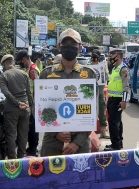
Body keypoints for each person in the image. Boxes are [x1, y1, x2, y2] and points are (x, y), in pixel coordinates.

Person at [39, 28, 96, 157]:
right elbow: (39, 108)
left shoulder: (89, 74)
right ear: (59, 47)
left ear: (80, 47)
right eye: (65, 44)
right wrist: (56, 132)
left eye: (73, 45)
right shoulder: (47, 74)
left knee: (80, 176)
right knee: (50, 176)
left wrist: (77, 143)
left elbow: (94, 111)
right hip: (52, 142)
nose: (69, 48)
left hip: (80, 144)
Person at [0, 54, 34, 159]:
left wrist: (17, 103)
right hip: (25, 108)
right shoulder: (24, 74)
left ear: (4, 64)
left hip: (11, 110)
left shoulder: (3, 76)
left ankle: (12, 160)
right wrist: (30, 107)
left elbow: (6, 93)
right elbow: (29, 93)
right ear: (13, 62)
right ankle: (21, 157)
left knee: (11, 135)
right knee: (23, 135)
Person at [104, 48, 131, 151]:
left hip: (118, 100)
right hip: (112, 99)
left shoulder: (123, 69)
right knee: (116, 122)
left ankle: (115, 145)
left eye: (112, 56)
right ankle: (118, 143)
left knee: (114, 123)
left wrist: (124, 101)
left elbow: (126, 87)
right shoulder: (115, 68)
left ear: (118, 57)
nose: (110, 58)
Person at [15, 49, 40, 157]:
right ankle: (31, 148)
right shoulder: (30, 69)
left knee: (33, 127)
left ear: (24, 59)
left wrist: (32, 104)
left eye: (21, 61)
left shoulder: (33, 70)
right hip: (32, 102)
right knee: (30, 126)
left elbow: (37, 87)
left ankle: (33, 149)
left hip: (34, 102)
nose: (21, 64)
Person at [91, 49, 109, 139]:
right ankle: (90, 133)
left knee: (102, 112)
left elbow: (106, 77)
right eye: (93, 56)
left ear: (99, 57)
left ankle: (103, 131)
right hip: (90, 94)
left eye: (96, 56)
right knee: (90, 113)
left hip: (100, 93)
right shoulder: (87, 66)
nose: (94, 58)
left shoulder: (102, 67)